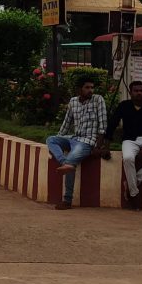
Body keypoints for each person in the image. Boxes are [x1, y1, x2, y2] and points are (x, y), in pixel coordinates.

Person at [46, 76, 107, 210]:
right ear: (79, 89)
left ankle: (67, 200)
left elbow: (103, 126)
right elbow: (66, 123)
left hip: (87, 141)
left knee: (70, 161)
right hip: (73, 138)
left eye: (92, 87)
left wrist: (98, 146)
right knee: (51, 139)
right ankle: (65, 163)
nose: (90, 90)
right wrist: (60, 138)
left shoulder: (98, 100)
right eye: (87, 87)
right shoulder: (73, 102)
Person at [105, 81, 142, 210]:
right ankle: (133, 194)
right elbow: (112, 124)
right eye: (136, 91)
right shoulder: (124, 106)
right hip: (129, 140)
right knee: (127, 158)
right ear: (130, 92)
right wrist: (106, 144)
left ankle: (133, 182)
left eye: (141, 90)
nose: (139, 93)